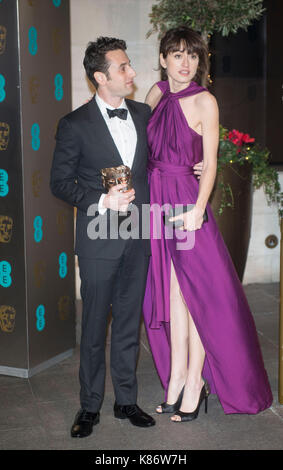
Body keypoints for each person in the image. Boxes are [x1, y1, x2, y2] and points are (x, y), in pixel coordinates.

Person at [143, 27, 273, 422]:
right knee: (174, 296)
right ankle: (178, 375)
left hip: (185, 201)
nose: (186, 63)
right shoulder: (154, 94)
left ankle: (195, 381)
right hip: (155, 200)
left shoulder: (205, 102)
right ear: (164, 59)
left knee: (197, 294)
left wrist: (200, 207)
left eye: (193, 56)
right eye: (178, 55)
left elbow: (211, 162)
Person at [50, 37, 157, 437]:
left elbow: (159, 164)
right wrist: (100, 200)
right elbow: (59, 183)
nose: (132, 74)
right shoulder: (75, 124)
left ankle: (126, 400)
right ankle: (90, 405)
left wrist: (195, 166)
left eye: (130, 66)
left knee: (129, 324)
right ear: (101, 77)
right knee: (94, 325)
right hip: (98, 240)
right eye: (124, 67)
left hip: (140, 235)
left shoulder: (145, 115)